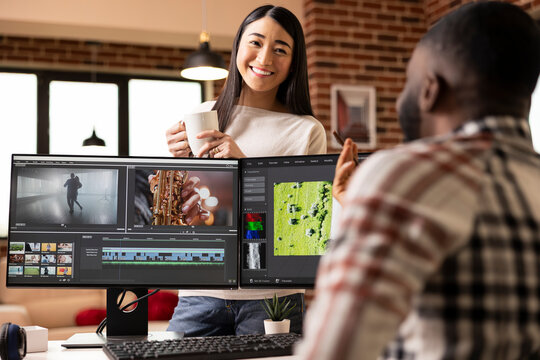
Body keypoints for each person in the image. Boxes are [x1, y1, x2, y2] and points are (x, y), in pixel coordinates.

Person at [296, 2, 540, 359]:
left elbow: (332, 351)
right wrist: (361, 210)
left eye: (408, 80)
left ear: (430, 89)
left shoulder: (403, 174)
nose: (400, 97)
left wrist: (379, 194)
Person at [166, 5, 326, 336]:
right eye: (255, 42)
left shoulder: (306, 131)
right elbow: (179, 213)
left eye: (280, 49)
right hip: (199, 294)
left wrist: (245, 166)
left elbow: (303, 231)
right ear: (238, 46)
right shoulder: (203, 114)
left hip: (272, 300)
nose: (265, 58)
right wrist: (171, 164)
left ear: (293, 62)